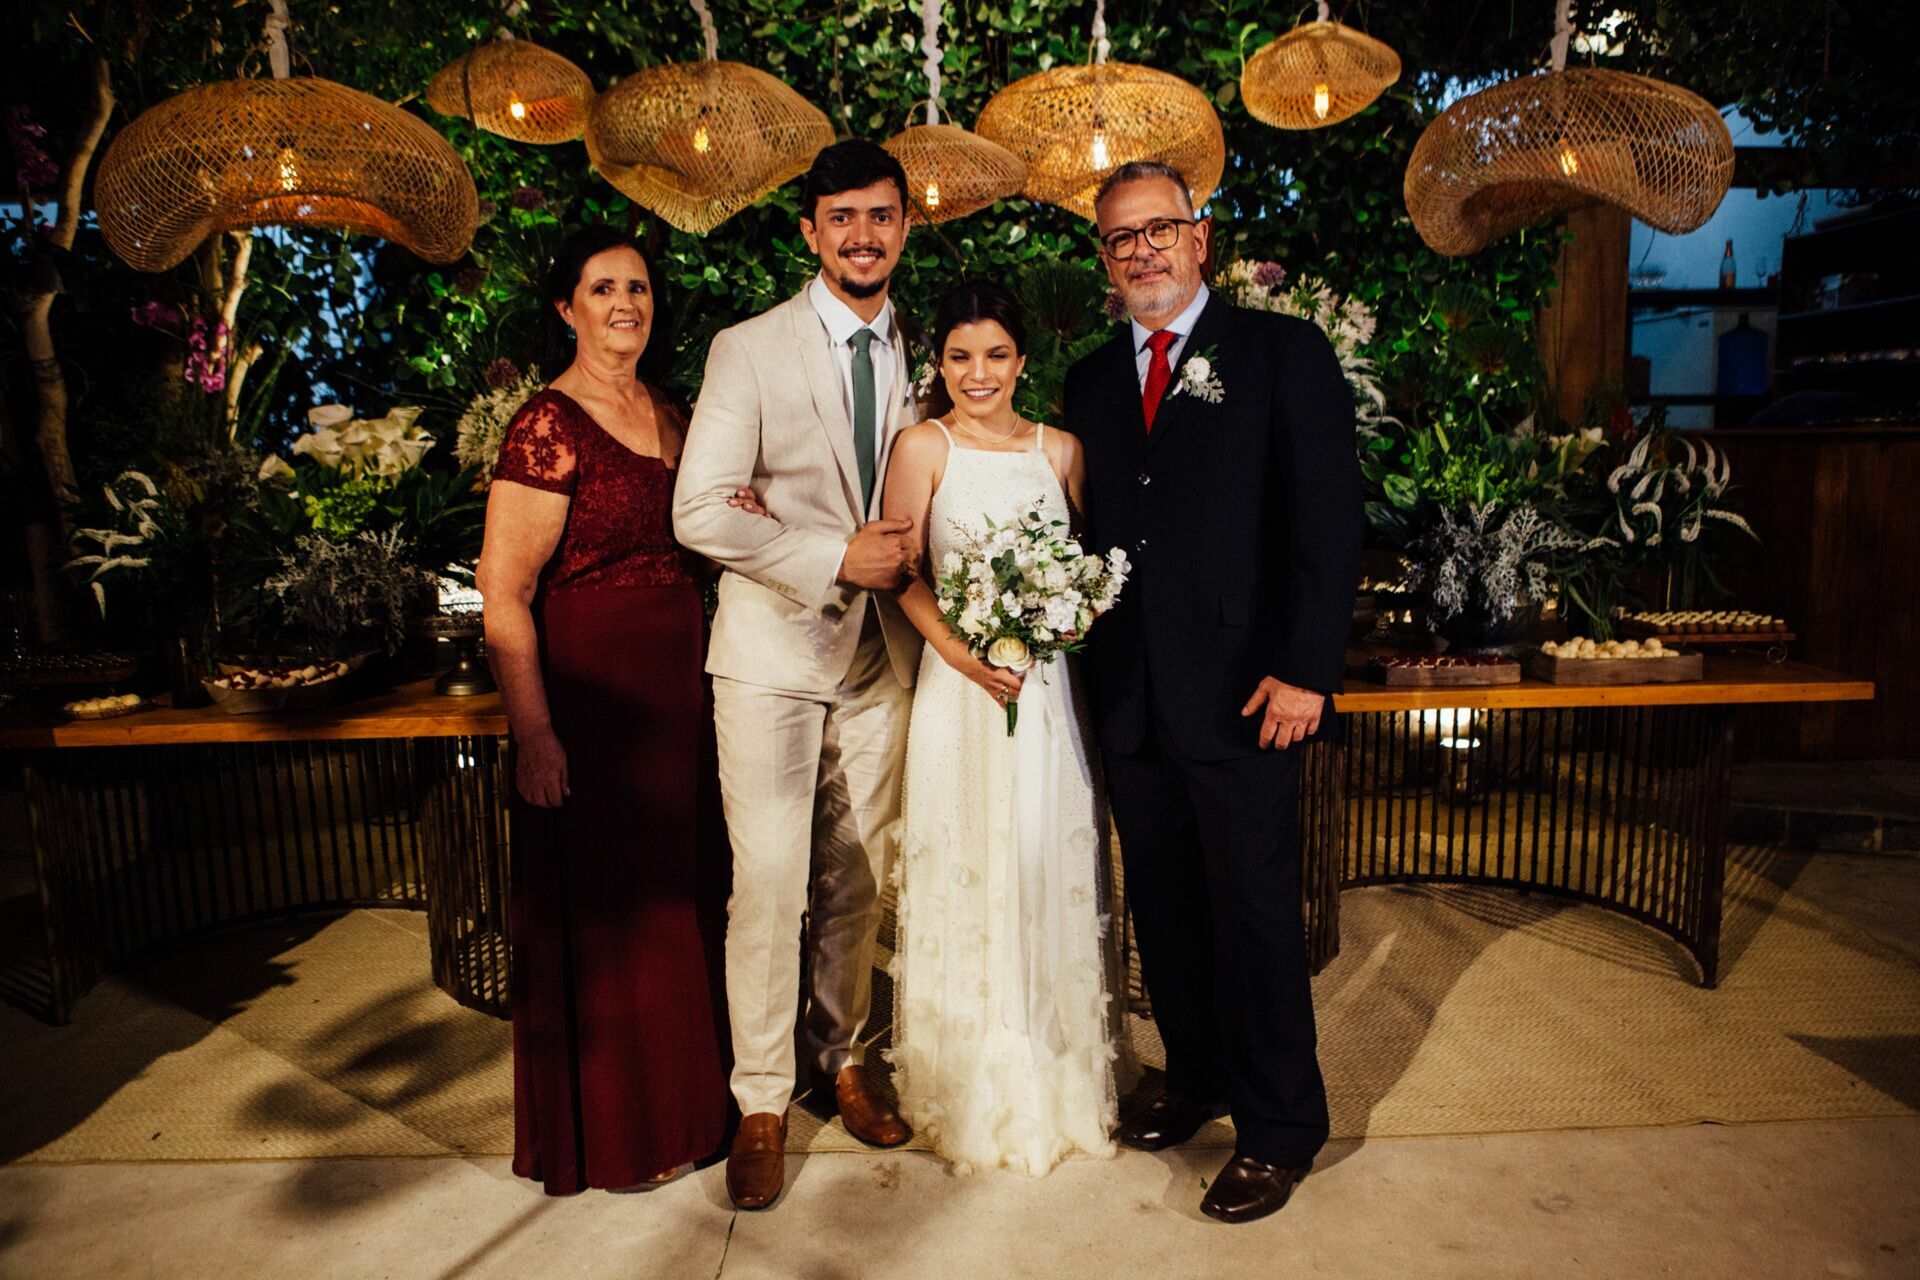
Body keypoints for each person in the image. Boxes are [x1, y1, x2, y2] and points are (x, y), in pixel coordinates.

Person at [1064, 161, 1364, 1223]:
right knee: (1167, 903)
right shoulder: (1094, 379)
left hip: (1250, 690)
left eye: (1158, 230)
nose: (1140, 250)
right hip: (1133, 693)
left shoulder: (1281, 353)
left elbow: (1329, 524)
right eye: (1118, 238)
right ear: (1105, 258)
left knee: (1253, 911)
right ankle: (1195, 1076)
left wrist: (1308, 670)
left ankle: (1280, 1125)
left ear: (1201, 237)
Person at [672, 139, 924, 1210]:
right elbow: (701, 504)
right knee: (769, 881)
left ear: (904, 225)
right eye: (842, 218)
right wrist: (830, 555)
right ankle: (763, 1096)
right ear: (811, 231)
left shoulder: (935, 348)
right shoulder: (749, 348)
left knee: (858, 878)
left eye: (881, 216)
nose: (862, 235)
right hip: (773, 656)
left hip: (887, 653)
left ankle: (846, 1060)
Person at [476, 225, 733, 1195]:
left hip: (682, 692)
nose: (625, 301)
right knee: (615, 915)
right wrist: (534, 732)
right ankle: (620, 1133)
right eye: (602, 287)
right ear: (566, 307)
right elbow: (503, 588)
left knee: (681, 904)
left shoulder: (670, 410)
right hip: (594, 698)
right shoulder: (548, 421)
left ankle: (690, 1111)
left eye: (636, 285)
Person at [879, 281, 1127, 1175]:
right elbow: (899, 571)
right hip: (964, 693)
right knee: (970, 862)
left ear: (1022, 361)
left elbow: (1088, 565)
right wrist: (961, 653)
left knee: (1042, 859)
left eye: (994, 355)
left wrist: (1069, 618)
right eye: (958, 356)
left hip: (1047, 693)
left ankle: (1058, 1080)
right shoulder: (923, 445)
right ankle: (969, 1085)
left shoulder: (1061, 450)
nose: (976, 373)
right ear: (937, 363)